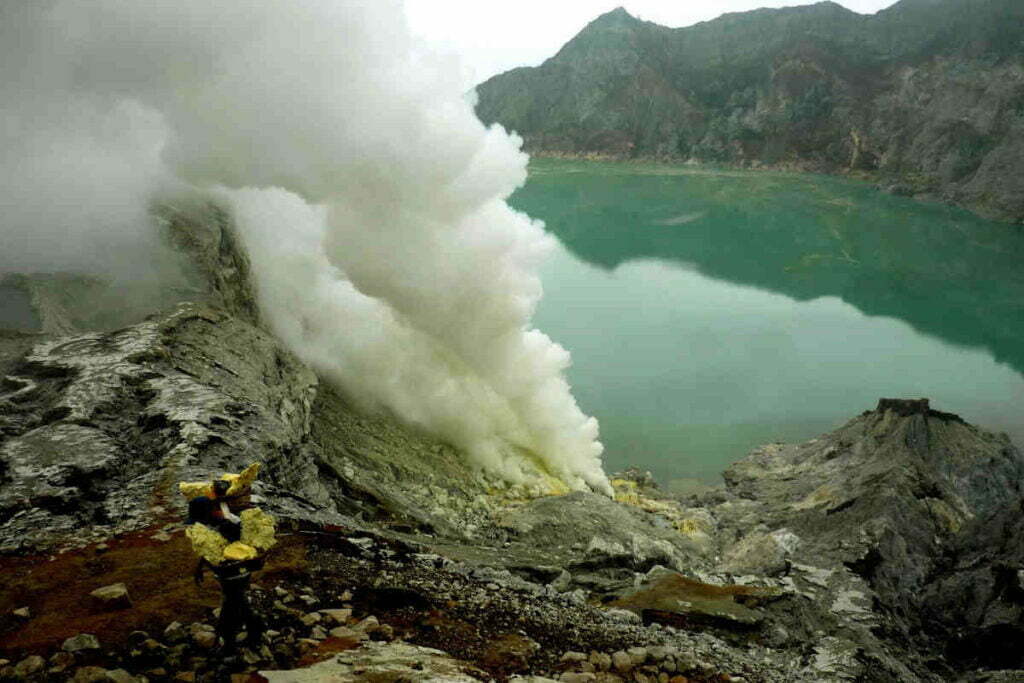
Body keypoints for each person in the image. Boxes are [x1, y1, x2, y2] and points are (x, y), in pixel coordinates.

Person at [194, 555, 266, 654]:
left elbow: (211, 557)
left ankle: (231, 645)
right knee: (241, 608)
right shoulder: (242, 553)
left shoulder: (226, 562)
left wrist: (202, 567)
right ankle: (253, 638)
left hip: (232, 582)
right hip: (237, 578)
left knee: (230, 614)